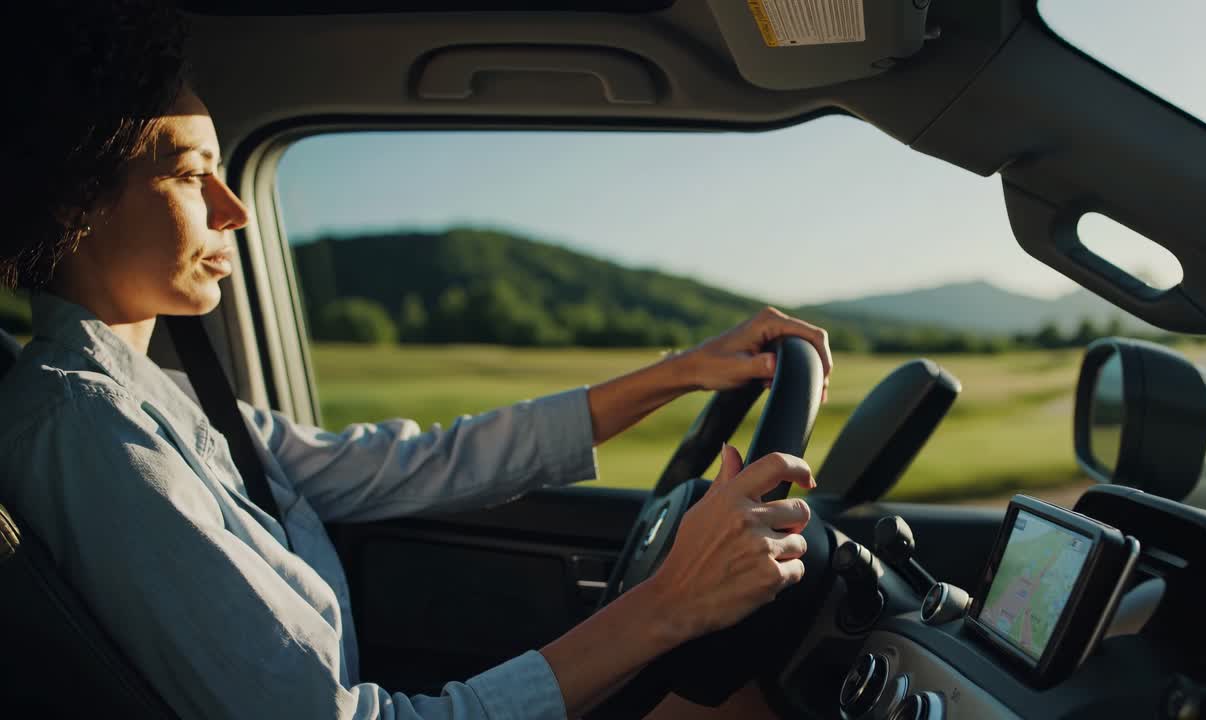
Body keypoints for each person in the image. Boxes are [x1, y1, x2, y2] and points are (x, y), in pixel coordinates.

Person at [0, 2, 834, 718]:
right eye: (192, 175)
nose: (233, 211)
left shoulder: (159, 401)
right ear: (78, 199)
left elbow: (421, 462)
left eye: (227, 173)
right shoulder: (88, 433)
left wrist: (682, 371)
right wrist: (669, 604)